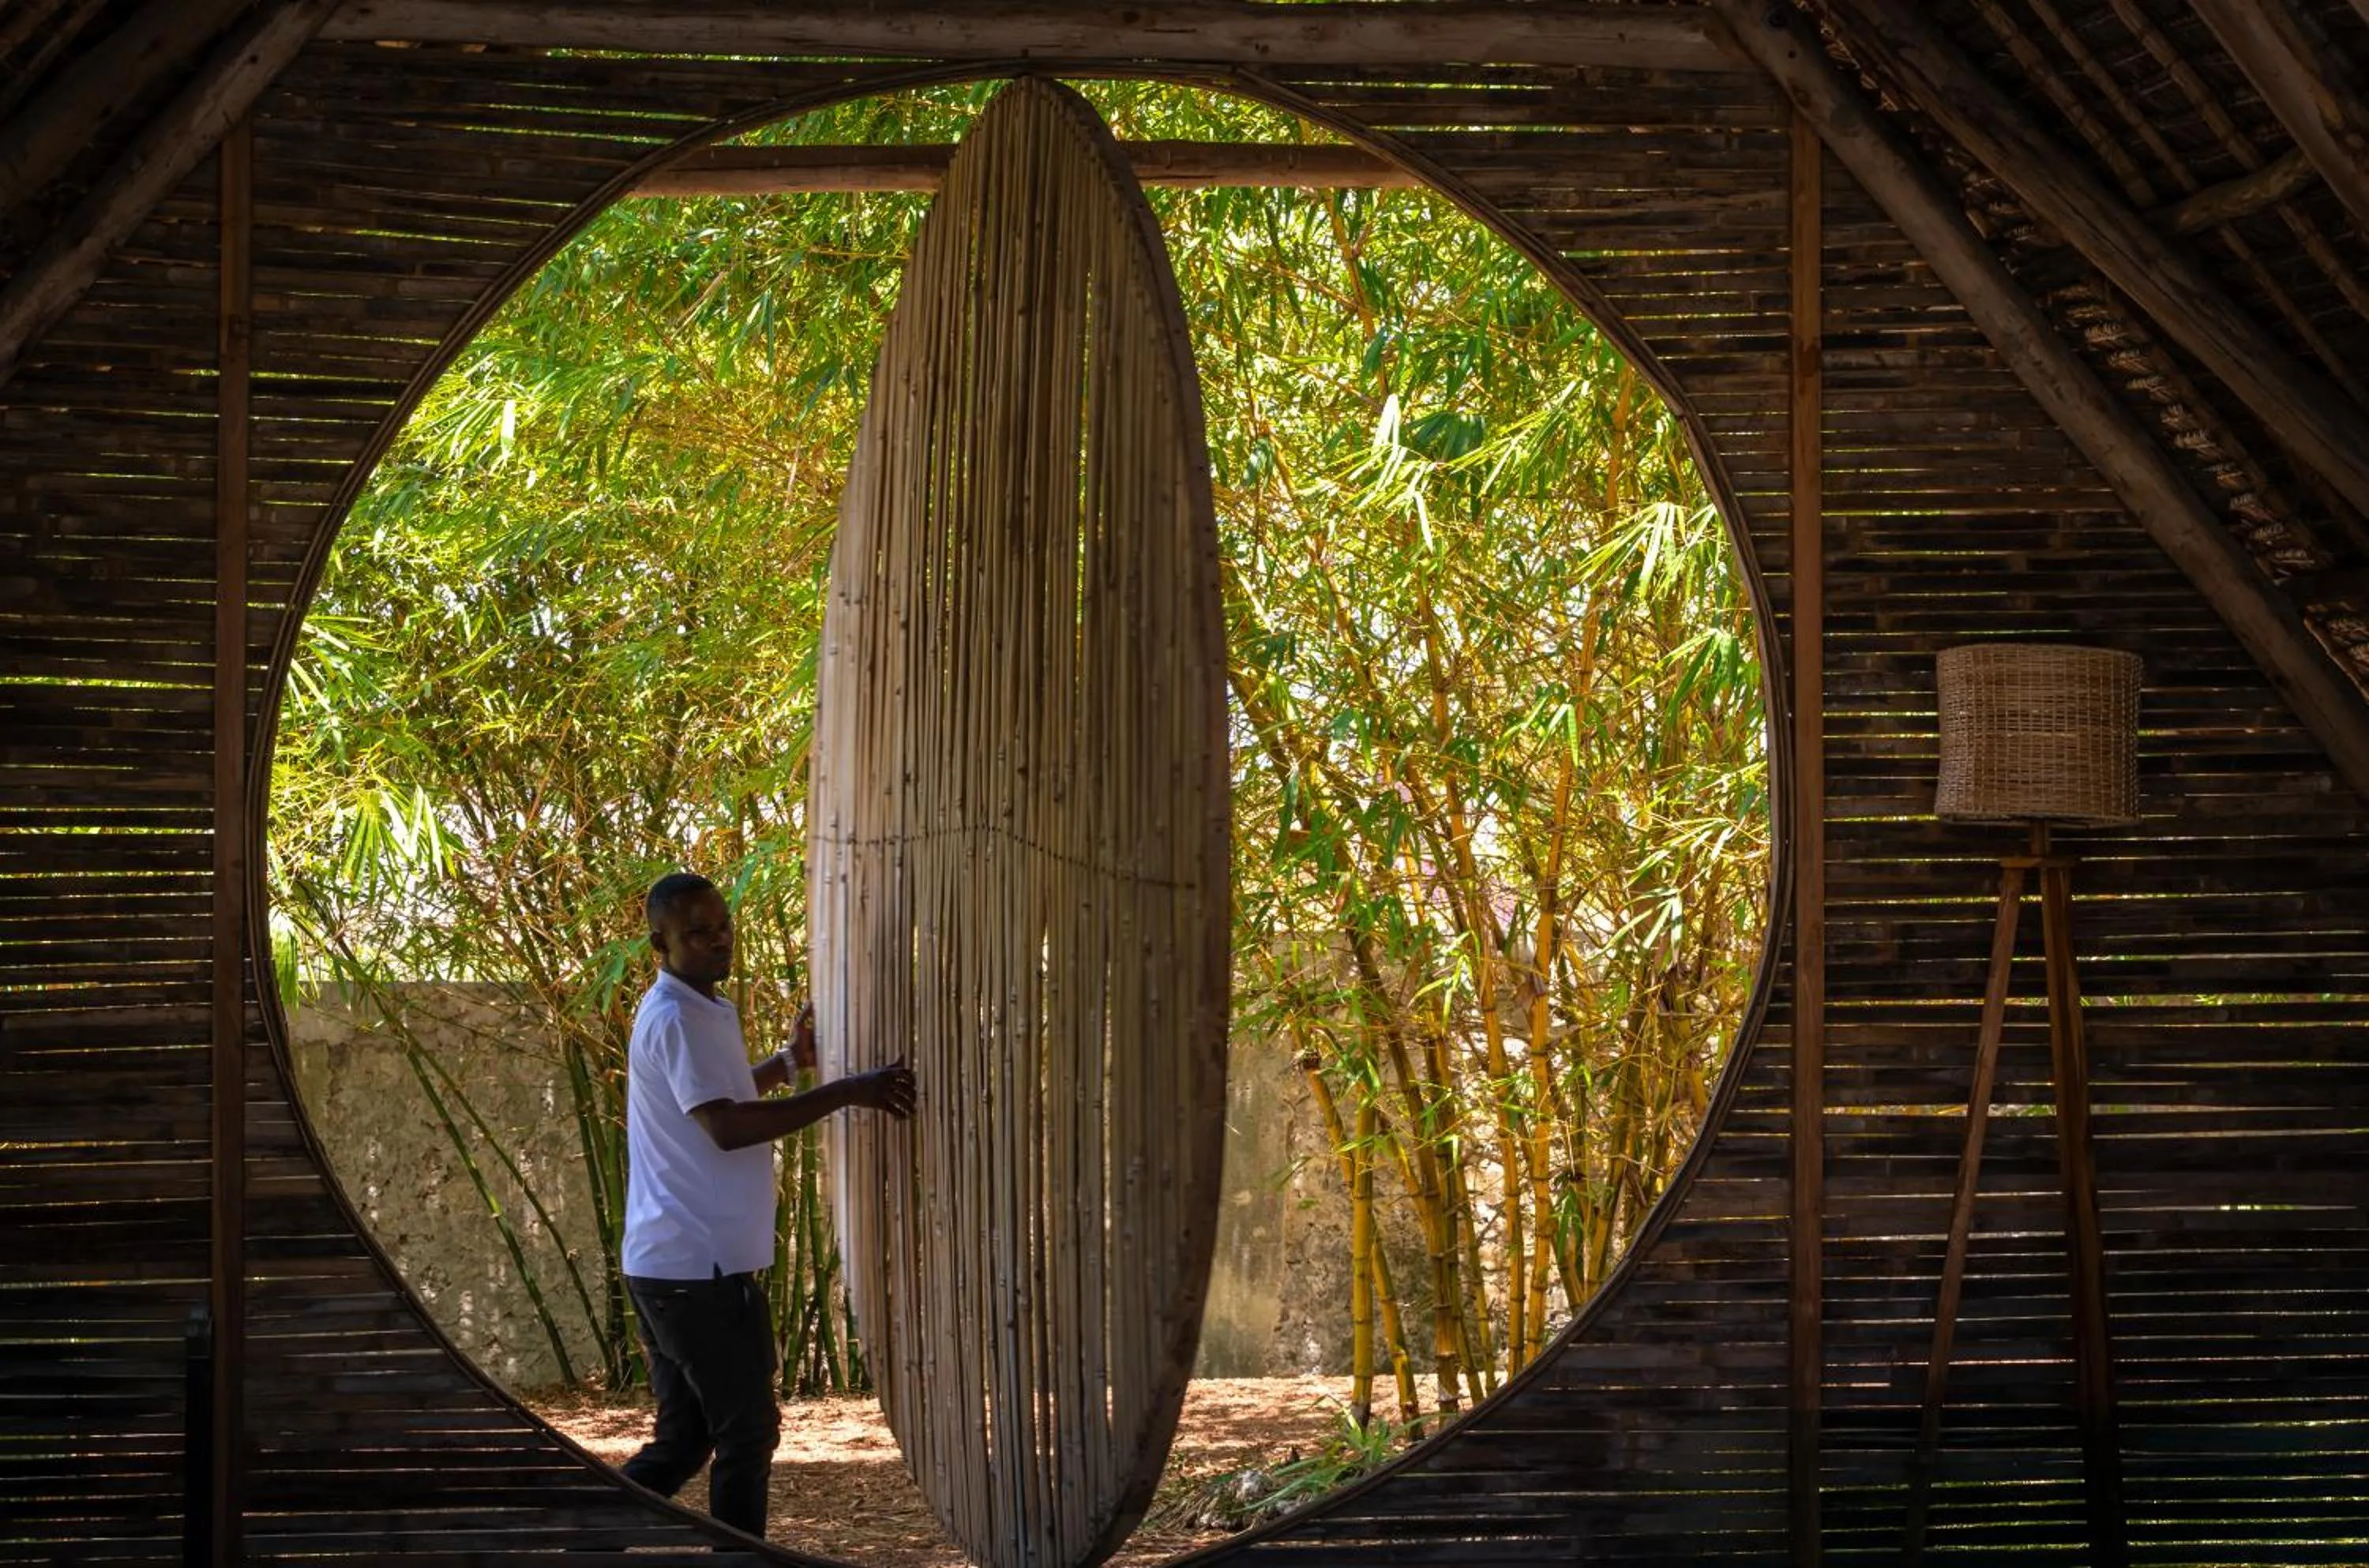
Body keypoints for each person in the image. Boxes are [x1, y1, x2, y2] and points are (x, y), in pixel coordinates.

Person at [618, 870, 915, 1538]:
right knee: (746, 1434)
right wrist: (845, 1092)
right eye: (697, 932)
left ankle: (575, 1537)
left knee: (685, 1443)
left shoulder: (701, 1006)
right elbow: (726, 1127)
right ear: (659, 943)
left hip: (680, 1263)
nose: (717, 940)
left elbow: (709, 1095)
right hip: (693, 1271)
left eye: (722, 925)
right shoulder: (676, 1016)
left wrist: (785, 1065)